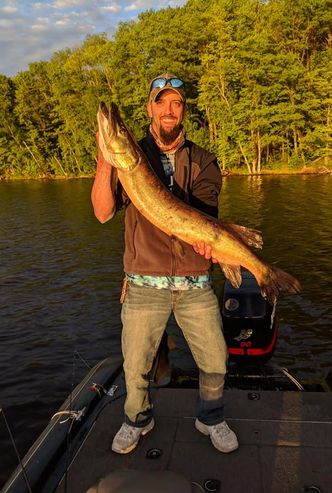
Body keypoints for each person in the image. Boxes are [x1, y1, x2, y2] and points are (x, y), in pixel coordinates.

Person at [91, 73, 239, 454]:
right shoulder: (131, 159)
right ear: (150, 110)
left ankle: (211, 417)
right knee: (135, 366)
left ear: (183, 111)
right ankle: (137, 418)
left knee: (216, 361)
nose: (169, 110)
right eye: (162, 103)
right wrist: (106, 162)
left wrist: (209, 244)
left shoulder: (204, 160)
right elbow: (103, 213)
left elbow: (205, 215)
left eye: (176, 104)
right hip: (143, 284)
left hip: (194, 282)